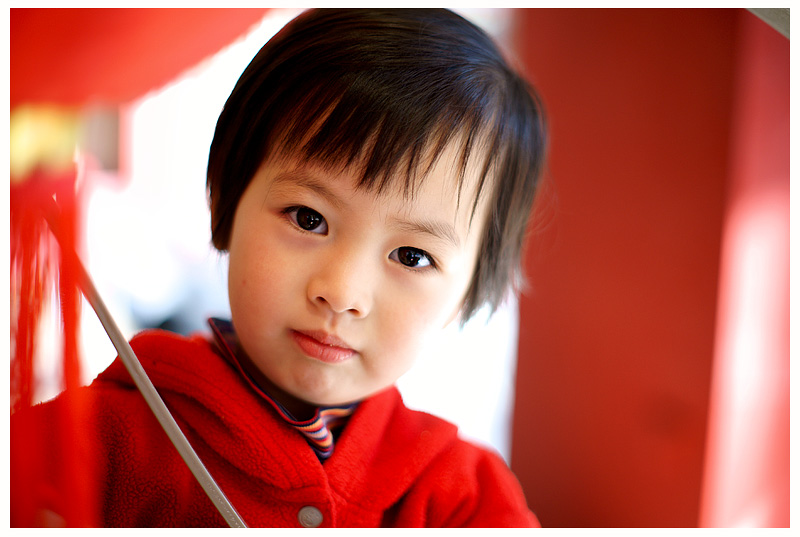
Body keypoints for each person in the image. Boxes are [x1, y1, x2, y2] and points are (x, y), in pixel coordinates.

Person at [11, 8, 546, 527]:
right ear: (225, 201)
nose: (341, 292)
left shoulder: (466, 502)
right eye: (309, 219)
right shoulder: (90, 445)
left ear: (471, 290)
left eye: (412, 257)